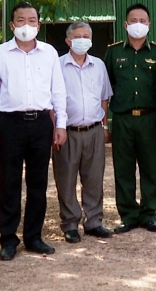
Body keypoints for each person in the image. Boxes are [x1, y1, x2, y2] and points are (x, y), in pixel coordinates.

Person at [0, 1, 68, 260]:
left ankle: (34, 237)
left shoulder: (50, 52)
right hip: (10, 124)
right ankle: (8, 240)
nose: (27, 25)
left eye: (32, 20)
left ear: (39, 25)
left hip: (42, 123)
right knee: (9, 183)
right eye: (21, 20)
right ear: (11, 25)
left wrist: (60, 124)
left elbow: (58, 91)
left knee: (38, 183)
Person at [104, 4, 156, 234]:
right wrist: (105, 121)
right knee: (123, 168)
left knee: (150, 168)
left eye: (143, 20)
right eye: (133, 20)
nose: (138, 24)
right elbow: (106, 88)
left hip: (149, 119)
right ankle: (128, 215)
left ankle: (149, 214)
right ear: (125, 24)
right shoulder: (114, 52)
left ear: (149, 25)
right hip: (122, 119)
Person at [54, 22, 114, 243]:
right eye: (77, 36)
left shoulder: (98, 65)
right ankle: (70, 224)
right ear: (68, 41)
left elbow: (104, 97)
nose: (82, 40)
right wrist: (55, 129)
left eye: (86, 36)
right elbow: (52, 101)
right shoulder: (57, 65)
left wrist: (105, 126)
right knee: (66, 179)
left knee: (94, 178)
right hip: (67, 131)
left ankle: (94, 222)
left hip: (94, 130)